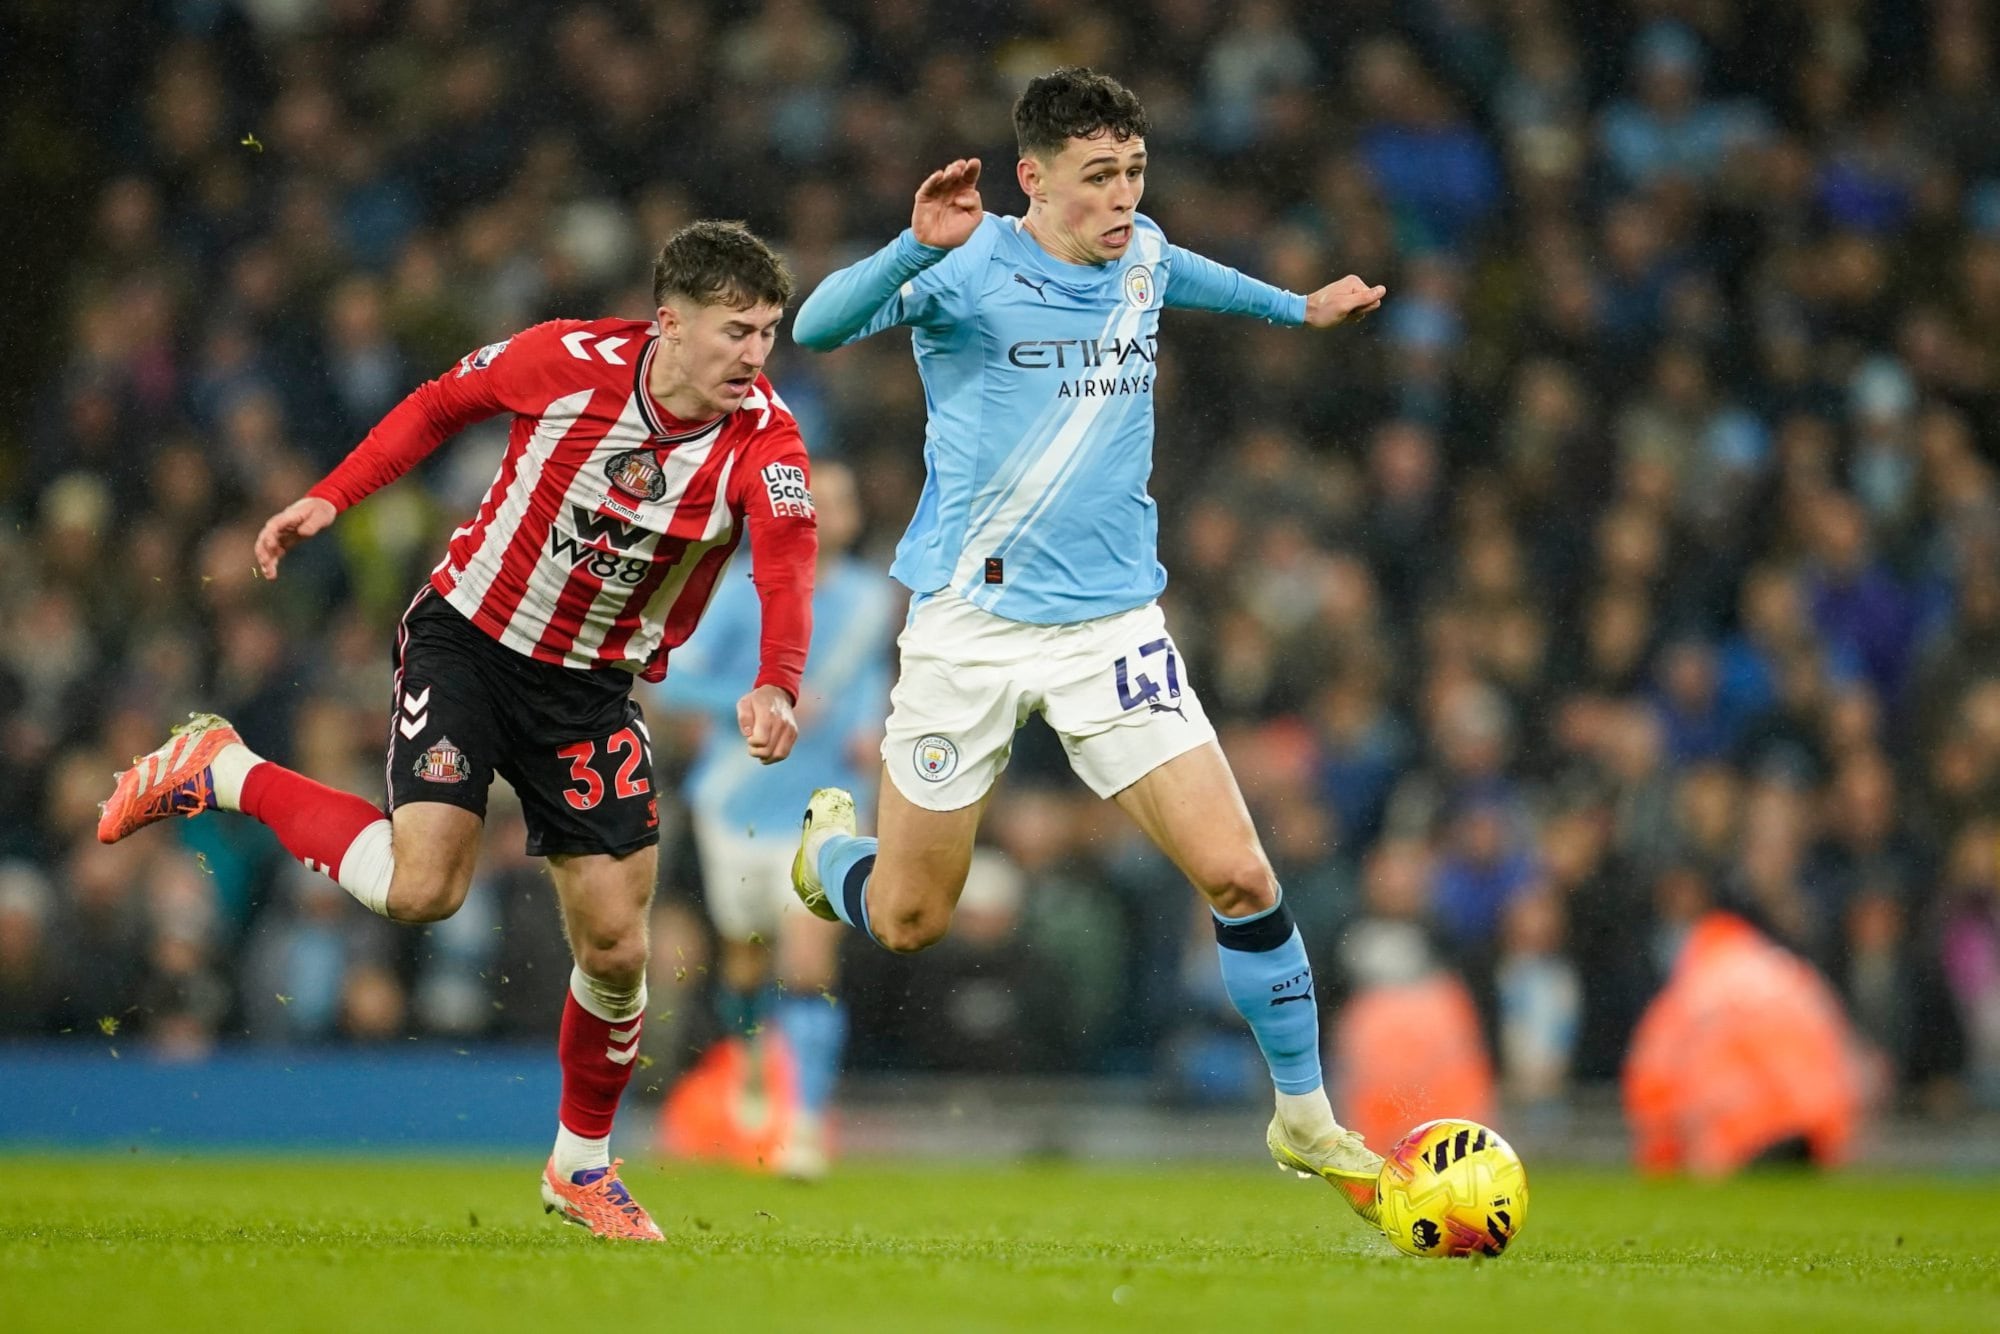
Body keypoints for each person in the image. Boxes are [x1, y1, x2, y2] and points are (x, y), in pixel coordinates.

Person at [97, 221, 819, 1241]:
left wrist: (777, 682)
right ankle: (225, 768)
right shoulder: (565, 360)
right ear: (668, 324)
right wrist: (329, 496)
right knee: (422, 888)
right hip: (470, 642)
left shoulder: (767, 439)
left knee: (616, 942)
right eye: (736, 332)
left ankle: (580, 1168)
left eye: (768, 333)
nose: (756, 355)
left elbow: (787, 562)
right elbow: (441, 402)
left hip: (589, 692)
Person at [787, 67, 1389, 1221]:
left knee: (1240, 870)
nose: (1122, 199)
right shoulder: (963, 267)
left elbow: (1192, 275)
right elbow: (814, 327)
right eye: (1098, 177)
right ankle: (827, 862)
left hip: (1110, 628)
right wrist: (912, 248)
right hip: (967, 625)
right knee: (911, 918)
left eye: (1133, 173)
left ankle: (1304, 1117)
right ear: (1033, 179)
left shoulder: (1145, 252)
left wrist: (1297, 308)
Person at [653, 459, 893, 1178]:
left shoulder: (871, 602)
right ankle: (755, 1066)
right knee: (747, 956)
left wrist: (869, 727)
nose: (829, 515)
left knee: (809, 960)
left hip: (826, 807)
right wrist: (757, 697)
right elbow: (673, 680)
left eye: (840, 502)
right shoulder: (739, 593)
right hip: (737, 806)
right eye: (815, 503)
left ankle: (805, 1124)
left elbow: (872, 678)